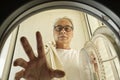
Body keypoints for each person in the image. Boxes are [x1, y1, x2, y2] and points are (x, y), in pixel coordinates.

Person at [13, 17, 94, 80]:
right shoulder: (39, 56)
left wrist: (94, 70)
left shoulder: (81, 56)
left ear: (72, 33)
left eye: (67, 28)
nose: (63, 31)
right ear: (53, 32)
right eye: (59, 28)